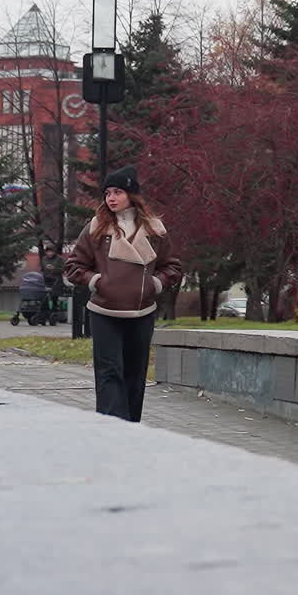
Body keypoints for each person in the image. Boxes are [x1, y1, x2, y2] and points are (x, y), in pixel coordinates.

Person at [63, 166, 181, 421]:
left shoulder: (155, 230)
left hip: (142, 311)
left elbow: (172, 267)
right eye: (107, 193)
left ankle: (130, 428)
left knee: (135, 374)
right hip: (105, 310)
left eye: (118, 192)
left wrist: (155, 284)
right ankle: (110, 426)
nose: (111, 198)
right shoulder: (96, 228)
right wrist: (97, 281)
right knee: (109, 371)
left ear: (132, 195)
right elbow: (73, 266)